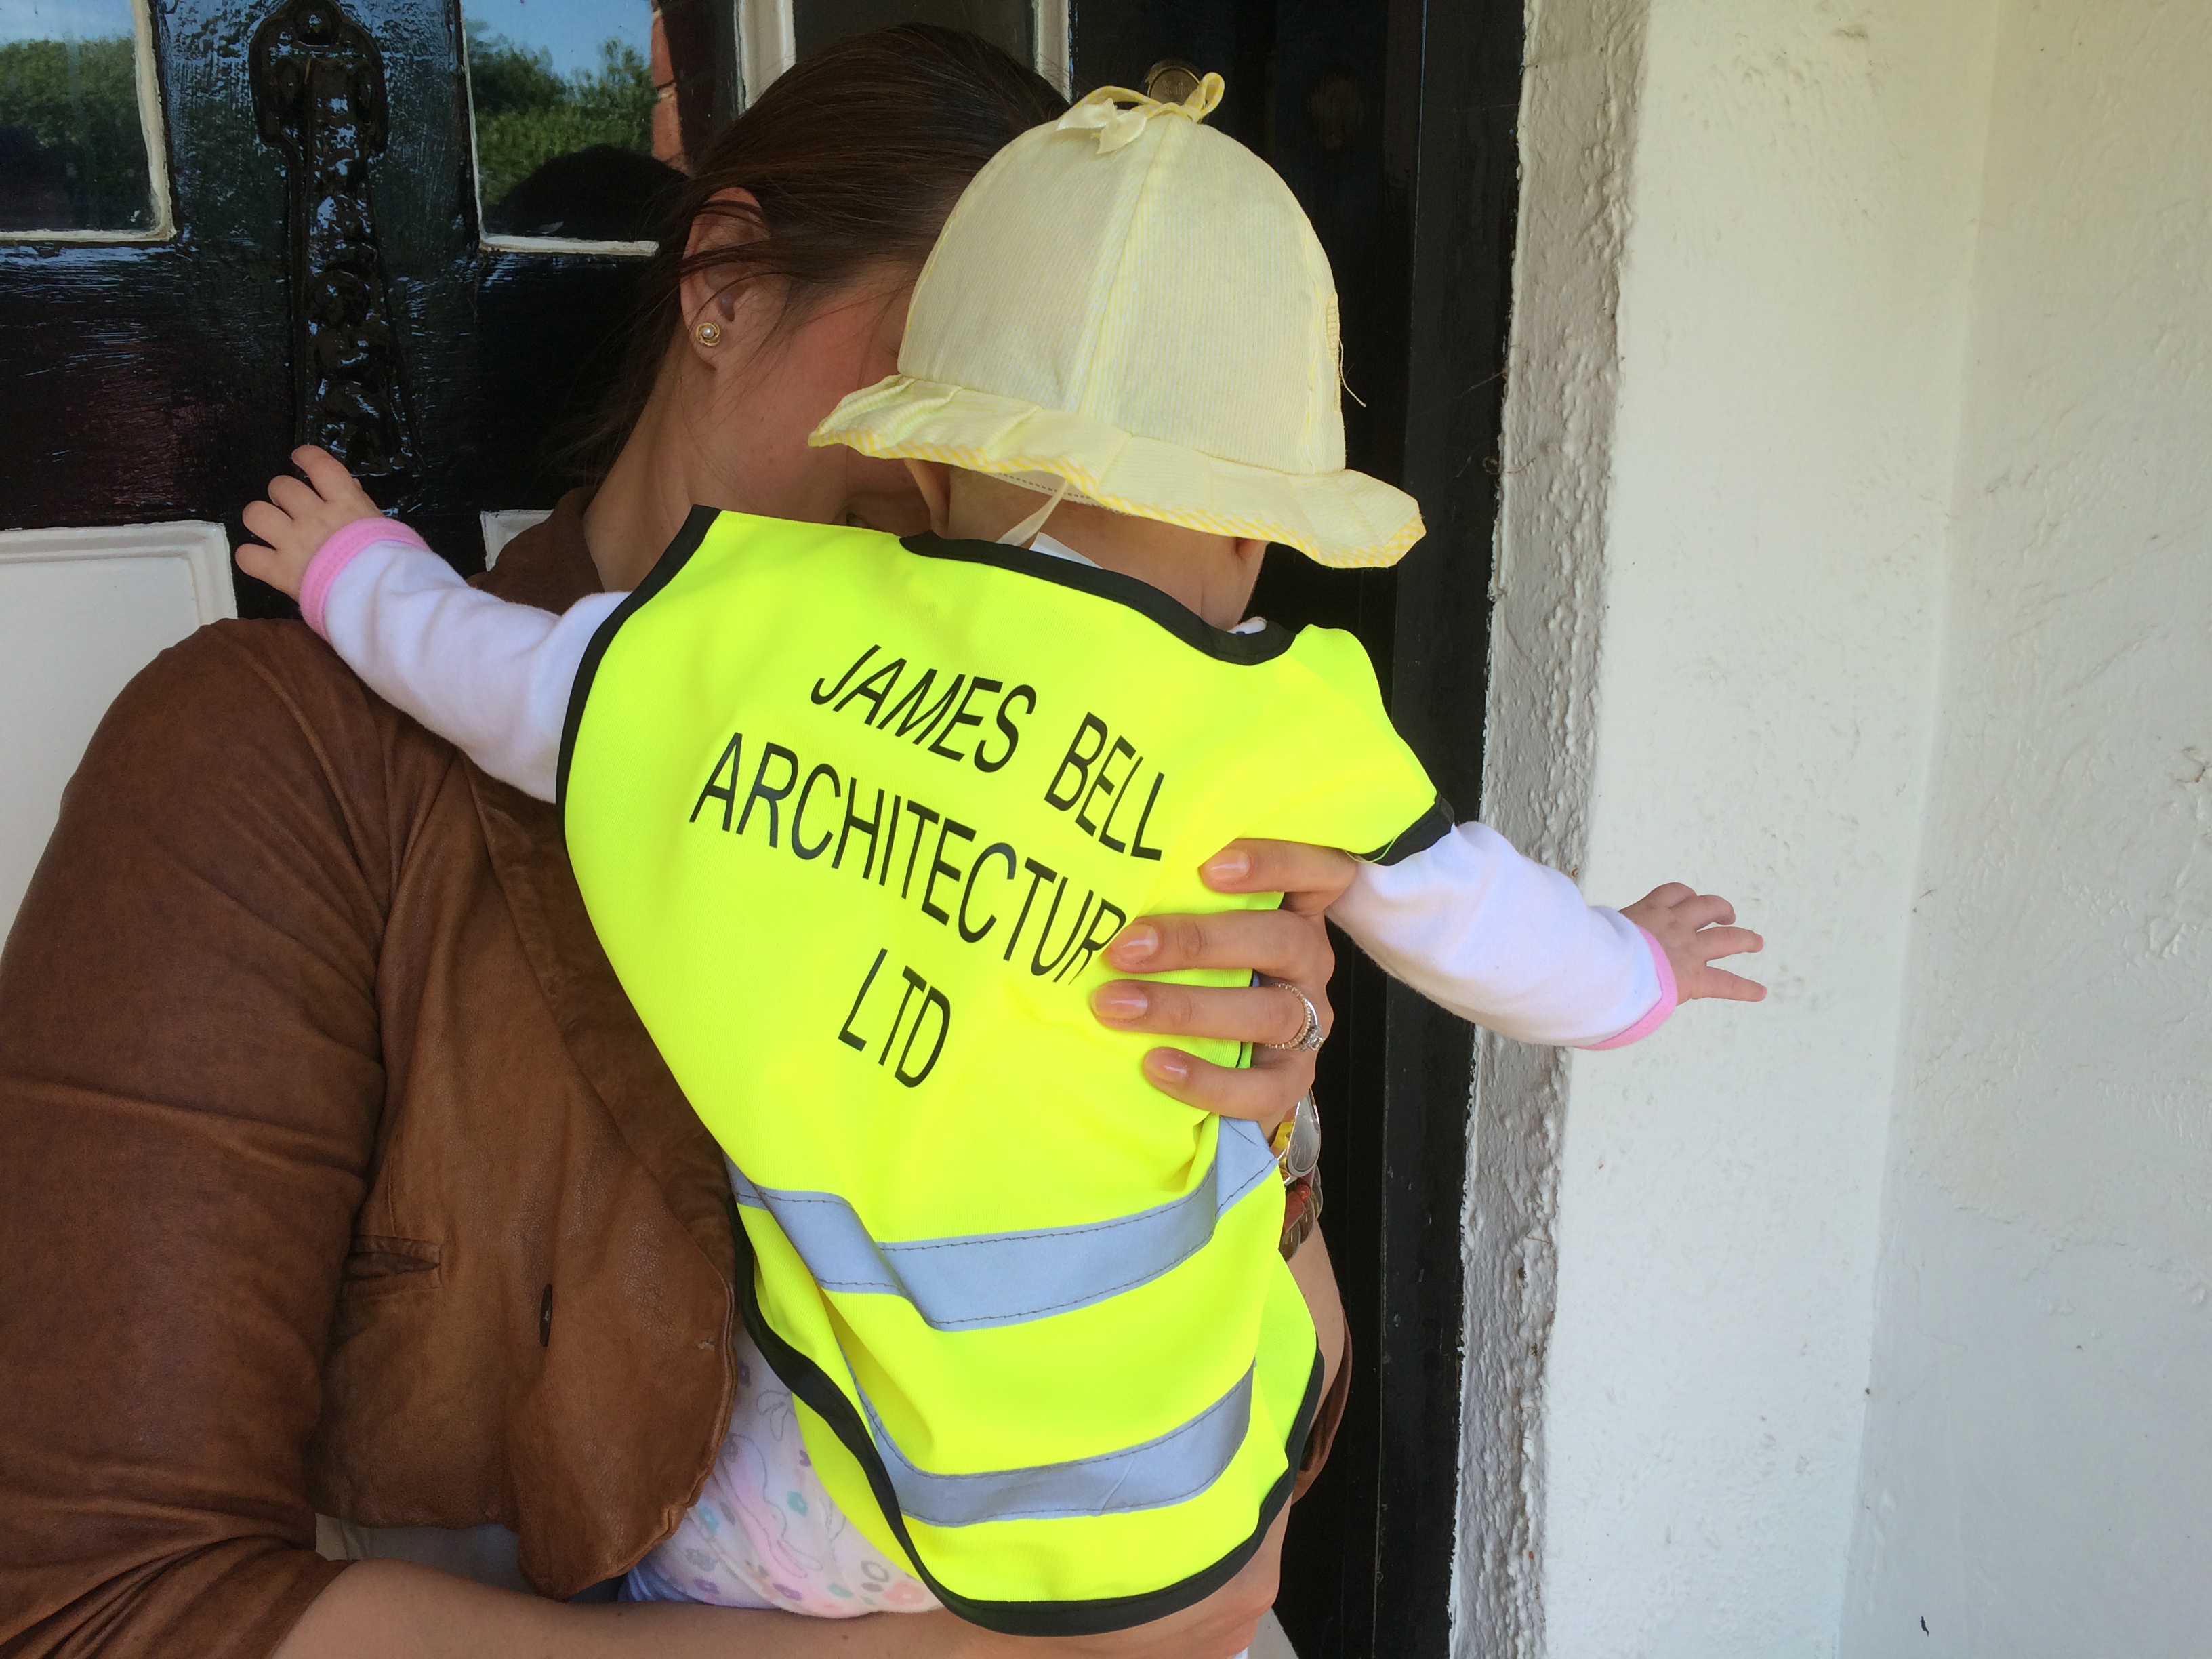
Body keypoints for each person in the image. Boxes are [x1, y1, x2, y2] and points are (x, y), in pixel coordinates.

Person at [231, 70, 1767, 1646]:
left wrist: (352, 567)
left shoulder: (759, 639)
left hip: (824, 1492)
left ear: (933, 470)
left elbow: (503, 680)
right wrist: (1639, 968)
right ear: (1257, 529)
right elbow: (1487, 926)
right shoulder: (1281, 717)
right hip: (1159, 1476)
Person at [0, 30, 1394, 1659]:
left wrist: (1262, 1128)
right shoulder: (287, 767)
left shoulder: (1117, 780)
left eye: (1077, 444)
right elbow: (104, 1601)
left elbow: (1274, 1463)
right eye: (942, 382)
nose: (999, 500)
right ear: (726, 287)